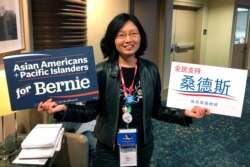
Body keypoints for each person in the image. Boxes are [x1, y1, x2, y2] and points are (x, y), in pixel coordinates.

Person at [38, 13, 210, 167]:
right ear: (112, 40)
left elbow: (157, 109)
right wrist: (65, 109)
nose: (128, 40)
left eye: (133, 33)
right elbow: (90, 112)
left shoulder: (150, 70)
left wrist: (186, 113)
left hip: (143, 144)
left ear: (141, 37)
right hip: (109, 147)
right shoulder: (101, 71)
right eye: (121, 35)